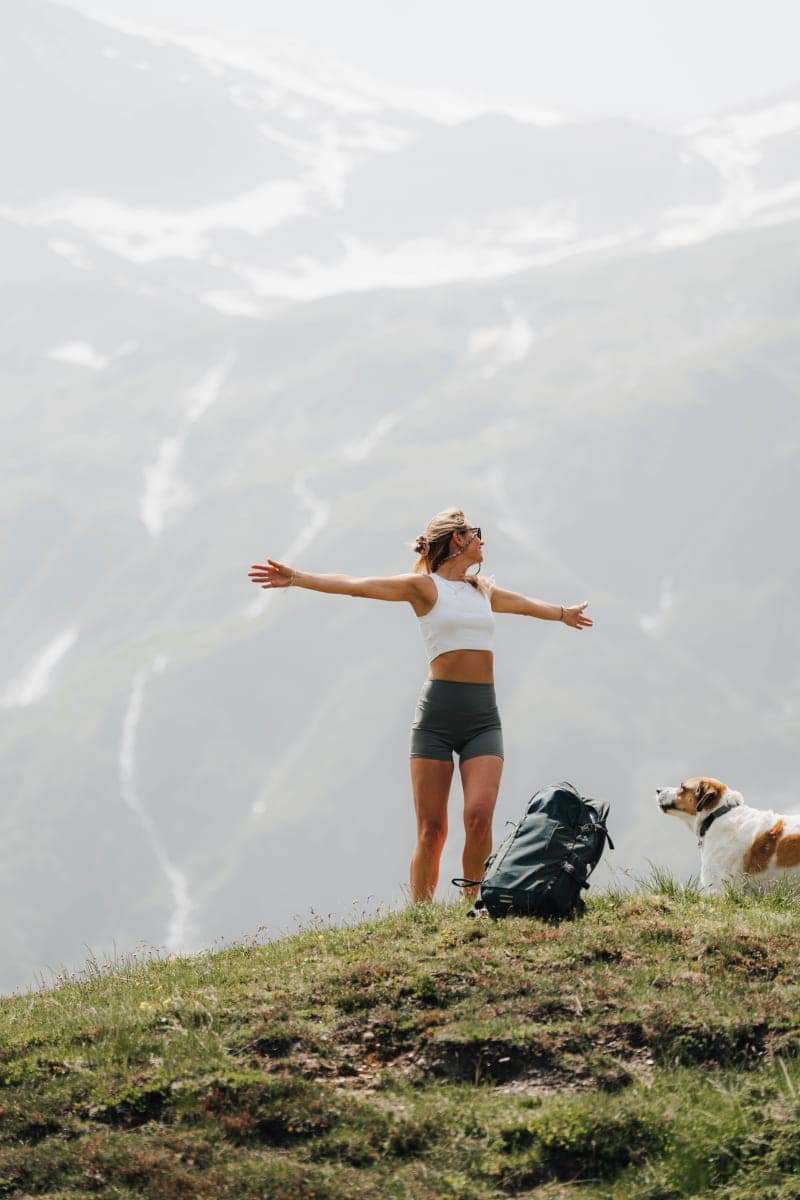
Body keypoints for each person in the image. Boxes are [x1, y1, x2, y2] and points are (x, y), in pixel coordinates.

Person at [248, 507, 592, 903]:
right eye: (476, 533)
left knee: (479, 817)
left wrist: (563, 614)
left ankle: (475, 906)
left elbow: (528, 605)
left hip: (483, 718)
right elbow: (358, 585)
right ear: (458, 539)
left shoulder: (483, 590)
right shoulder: (423, 588)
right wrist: (297, 578)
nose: (483, 540)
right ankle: (422, 915)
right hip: (435, 719)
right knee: (432, 830)